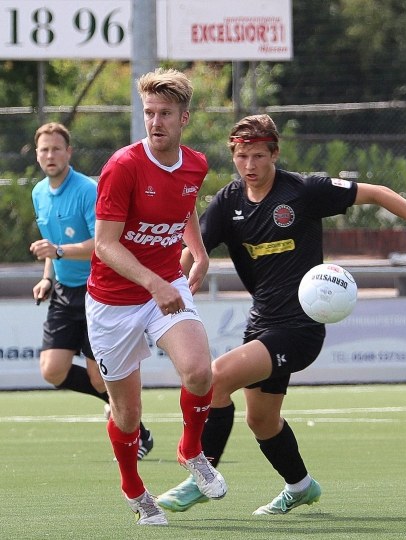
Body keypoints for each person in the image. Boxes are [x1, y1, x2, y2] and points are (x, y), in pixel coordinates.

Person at [156, 113, 406, 514]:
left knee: (215, 380)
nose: (249, 166)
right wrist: (167, 291)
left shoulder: (303, 191)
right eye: (241, 157)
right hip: (261, 324)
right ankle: (301, 486)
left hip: (301, 329)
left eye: (257, 156)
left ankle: (202, 476)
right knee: (262, 422)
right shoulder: (229, 202)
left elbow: (378, 193)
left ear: (274, 154)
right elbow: (189, 250)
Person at [86, 68, 226, 526]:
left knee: (200, 371)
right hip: (113, 301)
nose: (155, 121)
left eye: (165, 113)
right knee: (128, 414)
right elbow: (105, 244)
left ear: (184, 117)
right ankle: (134, 488)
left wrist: (198, 252)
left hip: (166, 282)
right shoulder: (122, 166)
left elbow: (182, 206)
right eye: (149, 112)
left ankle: (191, 450)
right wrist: (154, 283)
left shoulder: (197, 164)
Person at [30, 122, 154, 460]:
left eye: (57, 148)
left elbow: (101, 245)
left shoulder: (87, 190)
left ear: (69, 152)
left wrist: (57, 252)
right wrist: (47, 275)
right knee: (52, 370)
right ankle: (114, 406)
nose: (50, 155)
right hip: (63, 291)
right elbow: (49, 246)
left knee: (101, 378)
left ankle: (137, 429)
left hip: (98, 292)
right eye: (44, 150)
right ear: (37, 154)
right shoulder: (38, 192)